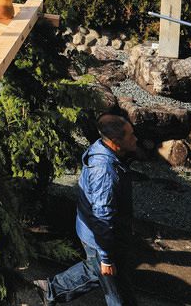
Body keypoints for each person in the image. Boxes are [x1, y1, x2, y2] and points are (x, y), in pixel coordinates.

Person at [35, 114, 139, 305]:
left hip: (94, 234)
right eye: (131, 136)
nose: (136, 139)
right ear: (115, 142)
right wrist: (107, 258)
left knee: (95, 269)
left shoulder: (103, 148)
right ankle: (50, 290)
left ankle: (50, 289)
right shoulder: (105, 172)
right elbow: (102, 217)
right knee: (117, 291)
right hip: (102, 238)